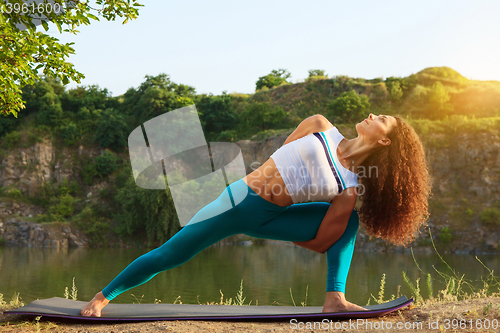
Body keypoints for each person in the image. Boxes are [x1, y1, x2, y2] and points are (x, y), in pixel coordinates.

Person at [81, 113, 431, 317]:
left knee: (349, 222)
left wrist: (277, 228)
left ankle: (334, 299)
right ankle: (101, 298)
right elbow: (278, 157)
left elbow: (324, 240)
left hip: (271, 218)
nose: (373, 115)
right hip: (237, 201)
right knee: (172, 254)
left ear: (385, 141)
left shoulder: (350, 189)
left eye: (382, 120)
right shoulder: (320, 125)